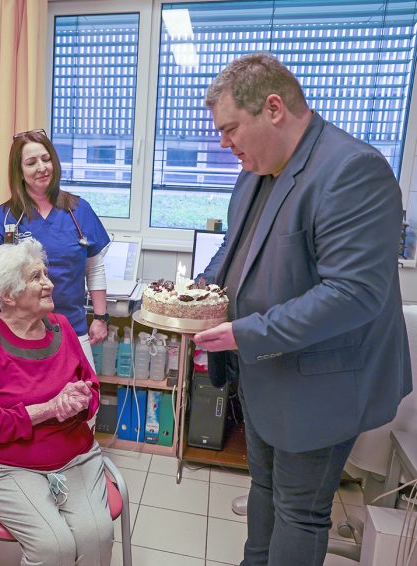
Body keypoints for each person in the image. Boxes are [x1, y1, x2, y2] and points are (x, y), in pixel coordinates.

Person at [194, 52, 412, 566]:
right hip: (267, 372)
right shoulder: (256, 171)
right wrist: (201, 294)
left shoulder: (352, 170)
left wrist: (247, 333)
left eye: (229, 129)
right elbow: (234, 247)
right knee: (264, 486)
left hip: (322, 380)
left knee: (299, 510)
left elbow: (353, 293)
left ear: (273, 109)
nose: (223, 143)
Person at [0, 239, 114, 566]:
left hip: (72, 455)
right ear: (8, 294)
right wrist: (49, 409)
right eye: (36, 277)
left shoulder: (62, 327)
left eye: (46, 274)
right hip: (2, 463)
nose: (49, 284)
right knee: (53, 546)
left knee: (97, 536)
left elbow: (91, 387)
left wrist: (81, 399)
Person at [0, 129, 111, 366]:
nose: (41, 167)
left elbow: (94, 268)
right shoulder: (4, 217)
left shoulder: (79, 210)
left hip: (72, 328)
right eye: (31, 163)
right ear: (19, 171)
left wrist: (100, 317)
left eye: (46, 159)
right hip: (19, 334)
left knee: (83, 389)